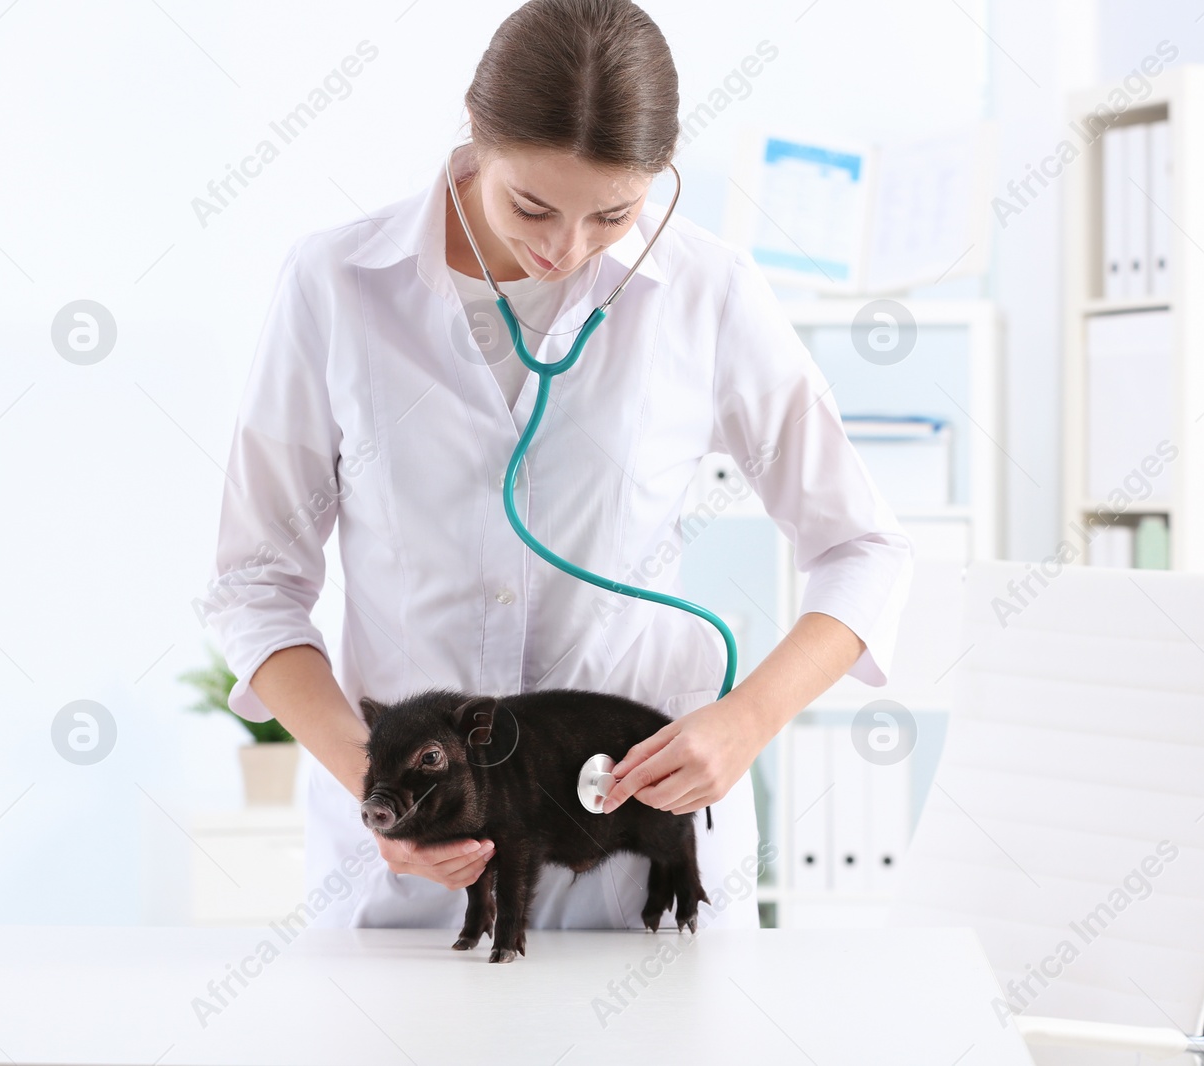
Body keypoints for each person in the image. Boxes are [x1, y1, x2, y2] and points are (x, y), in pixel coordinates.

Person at [206, 0, 913, 932]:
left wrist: (745, 723)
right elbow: (256, 582)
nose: (563, 249)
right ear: (474, 130)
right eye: (530, 205)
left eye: (614, 214)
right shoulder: (335, 286)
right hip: (417, 881)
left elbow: (864, 548)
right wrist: (384, 792)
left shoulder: (709, 293)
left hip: (629, 852)